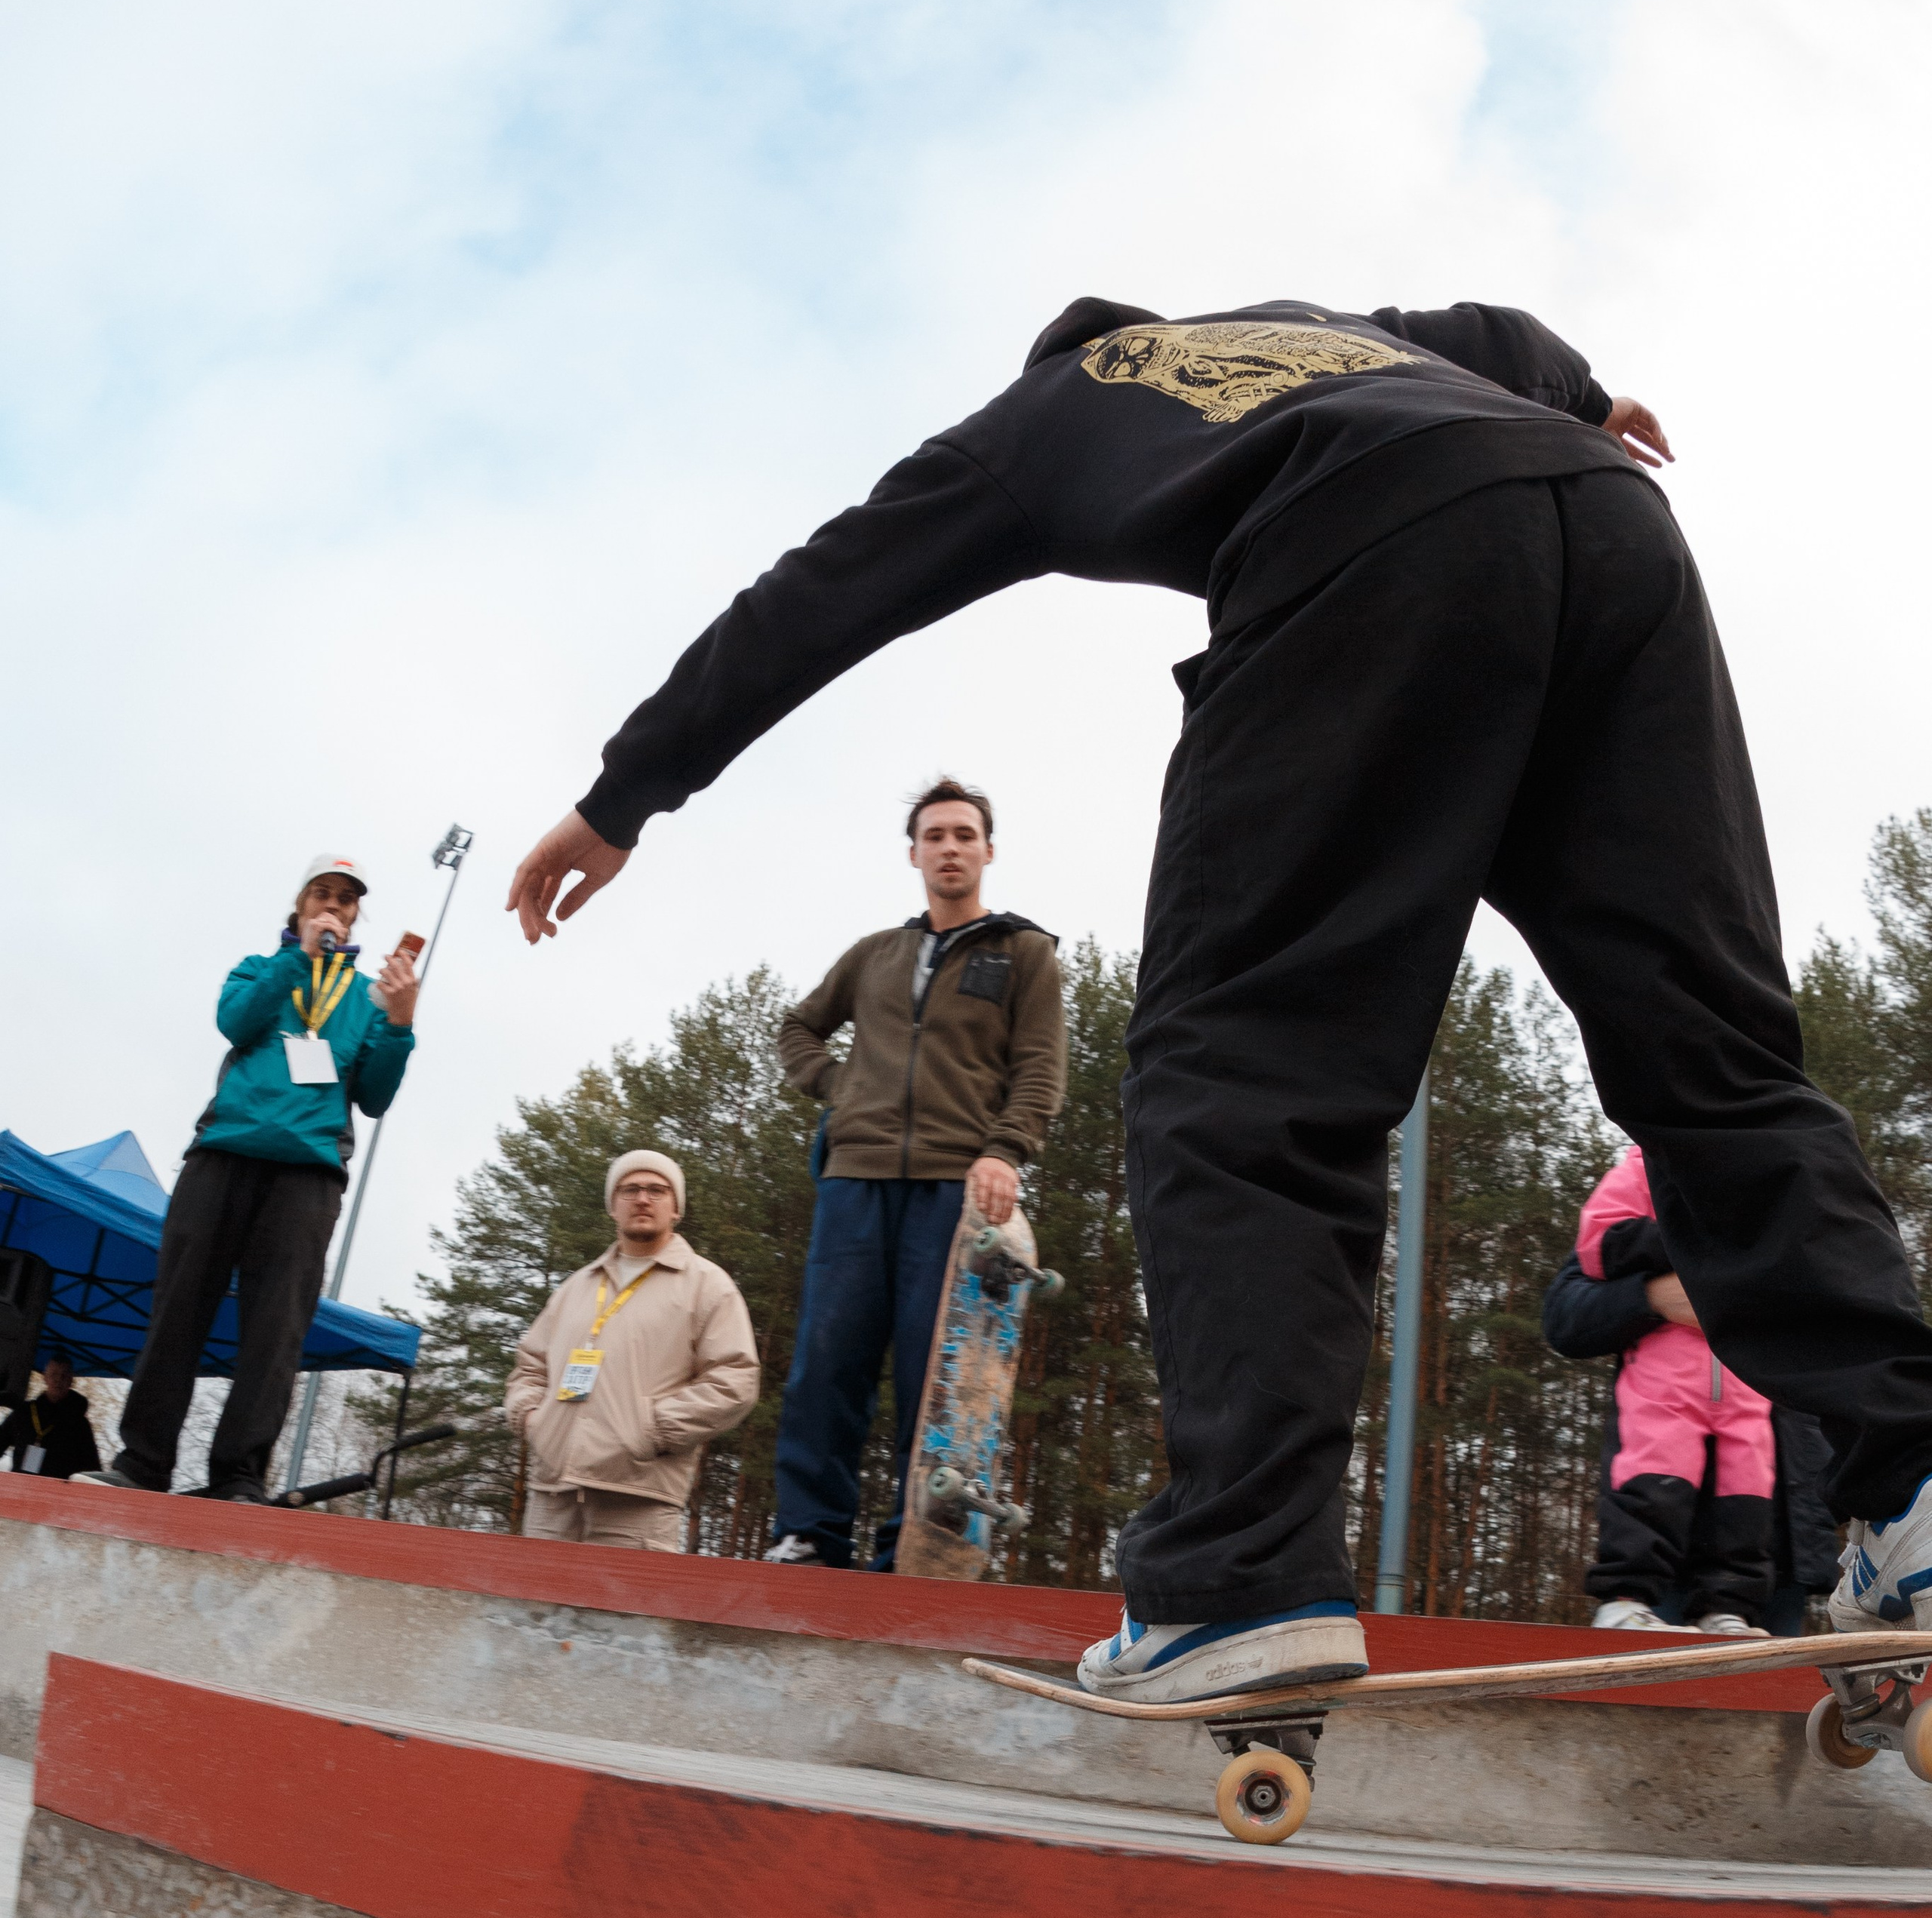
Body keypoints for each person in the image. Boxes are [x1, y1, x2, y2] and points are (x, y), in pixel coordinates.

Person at [505, 290, 1932, 1690]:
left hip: (1366, 548)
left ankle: (1240, 1578)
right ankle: (1917, 1480)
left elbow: (822, 591)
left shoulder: (1039, 413)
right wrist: (1583, 401)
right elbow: (1501, 335)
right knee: (1717, 1053)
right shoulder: (1333, 330)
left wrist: (626, 792)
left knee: (1244, 1068)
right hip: (1612, 528)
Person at [763, 777, 1066, 1569]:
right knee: (828, 1359)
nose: (950, 848)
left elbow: (1040, 1067)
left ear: (989, 851)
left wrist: (1004, 1149)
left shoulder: (1024, 953)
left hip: (955, 1187)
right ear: (913, 855)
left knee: (937, 1374)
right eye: (935, 836)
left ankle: (915, 1542)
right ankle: (810, 1532)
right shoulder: (874, 955)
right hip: (854, 1180)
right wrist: (841, 1087)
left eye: (965, 835)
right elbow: (798, 1027)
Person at [78, 854, 418, 1502]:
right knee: (179, 1308)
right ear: (300, 906)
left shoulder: (368, 998)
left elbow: (374, 1096)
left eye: (347, 899)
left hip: (308, 1176)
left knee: (276, 1329)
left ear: (355, 917)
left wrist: (400, 1023)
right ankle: (142, 1462)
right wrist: (299, 958)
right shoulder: (260, 968)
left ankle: (239, 1476)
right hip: (224, 1154)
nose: (334, 905)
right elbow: (235, 1020)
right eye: (322, 893)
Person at [1543, 1245, 1837, 1640]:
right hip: (1667, 1535)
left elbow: (1860, 1361)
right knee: (1649, 1675)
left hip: (1789, 1541)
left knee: (1774, 1679)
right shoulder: (1667, 1216)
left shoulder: (1811, 1234)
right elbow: (1565, 1316)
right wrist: (1651, 1296)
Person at [506, 1149, 758, 1550]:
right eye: (630, 1189)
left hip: (639, 1499)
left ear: (676, 1208)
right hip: (551, 1496)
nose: (643, 1199)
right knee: (531, 1595)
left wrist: (650, 1432)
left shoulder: (708, 1286)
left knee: (629, 1597)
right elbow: (530, 1366)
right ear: (612, 1206)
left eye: (657, 1190)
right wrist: (534, 1421)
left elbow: (735, 1380)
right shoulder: (576, 1287)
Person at [0, 1356, 100, 1480]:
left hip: (57, 1490)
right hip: (19, 1486)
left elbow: (92, 1471)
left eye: (64, 1376)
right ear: (45, 1378)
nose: (58, 1380)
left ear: (71, 1381)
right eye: (54, 1375)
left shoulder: (79, 1424)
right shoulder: (24, 1412)